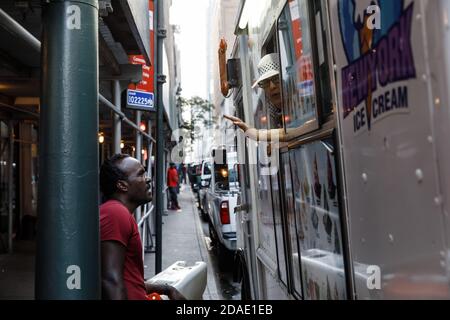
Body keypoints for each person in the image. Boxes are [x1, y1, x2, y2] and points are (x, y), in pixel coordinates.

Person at [100, 154, 186, 300]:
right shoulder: (115, 213)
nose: (148, 179)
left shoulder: (119, 213)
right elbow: (111, 281)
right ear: (122, 185)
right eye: (140, 174)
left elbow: (131, 281)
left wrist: (166, 289)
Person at [224, 53, 296, 143]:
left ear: (284, 79)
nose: (272, 86)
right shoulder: (272, 114)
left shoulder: (301, 105)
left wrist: (257, 134)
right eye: (265, 82)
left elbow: (298, 131)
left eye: (276, 79)